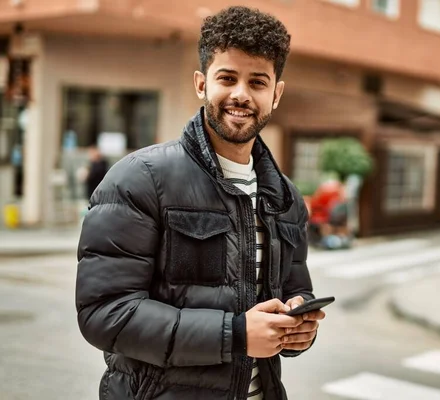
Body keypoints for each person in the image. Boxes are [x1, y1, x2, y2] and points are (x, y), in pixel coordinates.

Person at [75, 6, 325, 400]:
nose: (241, 94)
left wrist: (299, 324)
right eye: (227, 77)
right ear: (201, 84)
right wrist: (236, 335)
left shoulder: (286, 198)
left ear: (275, 94)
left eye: (257, 82)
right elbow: (105, 314)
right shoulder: (140, 179)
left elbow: (294, 288)